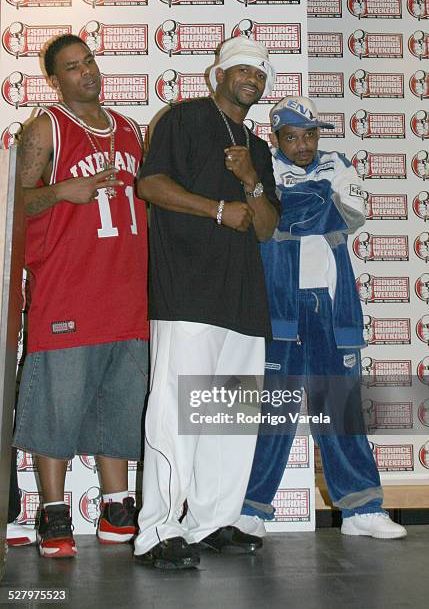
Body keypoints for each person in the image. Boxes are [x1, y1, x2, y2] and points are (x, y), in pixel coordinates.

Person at [133, 36, 279, 569]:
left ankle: (212, 520)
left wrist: (249, 182)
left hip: (242, 301)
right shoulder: (184, 118)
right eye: (243, 69)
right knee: (176, 416)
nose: (253, 78)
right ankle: (157, 531)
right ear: (218, 73)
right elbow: (149, 186)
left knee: (228, 421)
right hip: (187, 295)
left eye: (261, 73)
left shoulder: (258, 147)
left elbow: (265, 229)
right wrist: (219, 208)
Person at [236, 96, 407, 543]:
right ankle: (250, 511)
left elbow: (351, 214)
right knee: (274, 414)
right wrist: (311, 205)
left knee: (340, 411)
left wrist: (289, 209)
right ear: (276, 138)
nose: (304, 144)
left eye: (310, 134)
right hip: (280, 308)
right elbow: (264, 223)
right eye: (292, 136)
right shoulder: (261, 168)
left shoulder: (338, 162)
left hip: (332, 307)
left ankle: (361, 510)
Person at [12, 34, 149, 558]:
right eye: (72, 67)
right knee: (57, 406)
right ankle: (53, 512)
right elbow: (15, 205)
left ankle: (117, 508)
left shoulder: (130, 129)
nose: (86, 72)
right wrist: (61, 192)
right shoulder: (46, 127)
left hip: (127, 293)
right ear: (55, 79)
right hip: (68, 291)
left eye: (89, 61)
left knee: (120, 404)